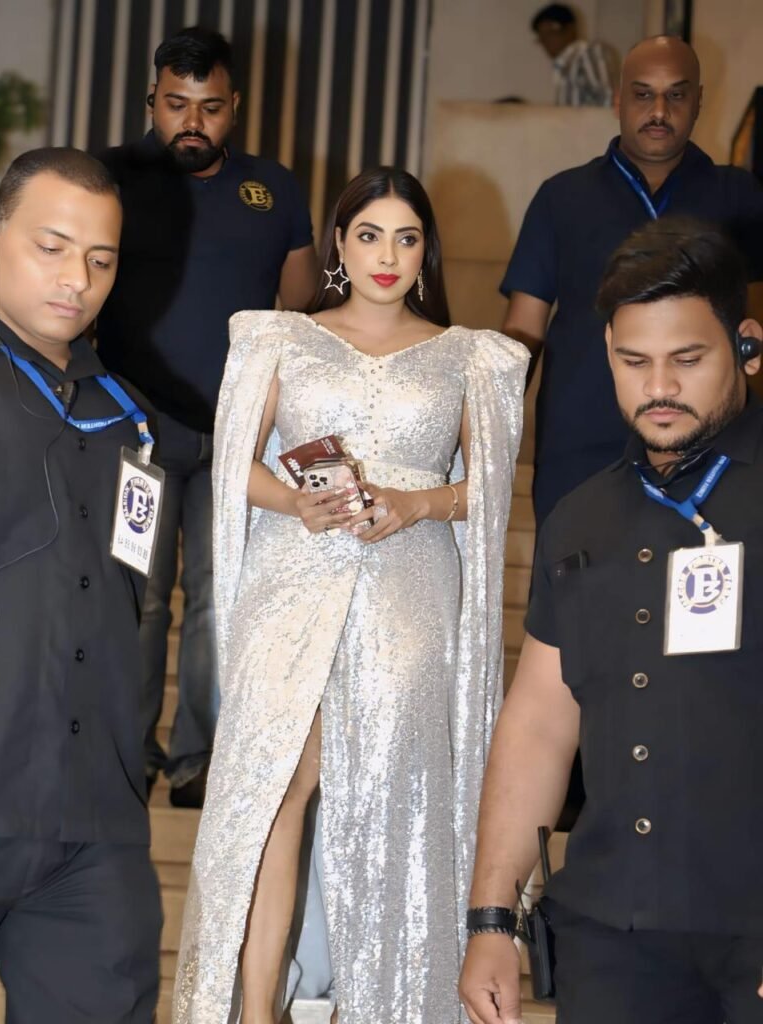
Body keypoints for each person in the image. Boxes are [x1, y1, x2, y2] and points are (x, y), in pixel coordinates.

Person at [172, 167, 529, 1024]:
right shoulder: (281, 338)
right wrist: (293, 501)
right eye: (369, 235)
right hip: (291, 582)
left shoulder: (468, 356)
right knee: (276, 790)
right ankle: (257, 1009)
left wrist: (417, 504)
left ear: (426, 251)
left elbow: (488, 488)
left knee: (392, 794)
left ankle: (385, 1002)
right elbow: (234, 461)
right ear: (338, 242)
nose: (386, 255)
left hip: (411, 590)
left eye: (406, 238)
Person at [460, 218, 763, 1024]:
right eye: (634, 361)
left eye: (687, 359)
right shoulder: (579, 518)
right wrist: (491, 919)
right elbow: (538, 724)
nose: (659, 386)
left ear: (747, 346)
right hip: (611, 935)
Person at [96, 26, 318, 808]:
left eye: (210, 107)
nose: (192, 122)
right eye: (176, 104)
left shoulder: (273, 190)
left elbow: (303, 310)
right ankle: (126, 756)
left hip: (237, 440)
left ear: (235, 107)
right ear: (151, 101)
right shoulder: (109, 178)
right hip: (135, 432)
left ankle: (199, 759)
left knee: (220, 597)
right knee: (139, 595)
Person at [0, 148, 162, 1021]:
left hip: (92, 820)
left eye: (101, 260)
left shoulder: (125, 417)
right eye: (51, 248)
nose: (77, 280)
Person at [503, 34, 763, 530]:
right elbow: (523, 330)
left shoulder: (739, 196)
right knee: (573, 574)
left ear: (698, 101)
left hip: (708, 445)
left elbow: (756, 323)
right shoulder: (563, 197)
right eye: (643, 94)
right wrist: (492, 422)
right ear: (618, 100)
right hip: (579, 442)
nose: (659, 111)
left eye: (676, 95)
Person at [531, 3, 615, 107]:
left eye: (549, 33)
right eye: (542, 37)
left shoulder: (587, 53)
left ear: (570, 28)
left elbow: (606, 100)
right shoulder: (563, 64)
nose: (546, 42)